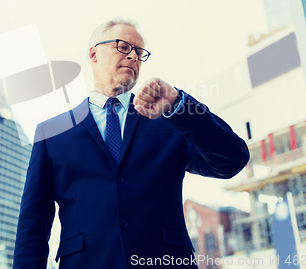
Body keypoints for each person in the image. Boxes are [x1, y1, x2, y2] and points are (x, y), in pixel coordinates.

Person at [13, 18, 249, 268]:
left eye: (139, 52)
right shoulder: (51, 133)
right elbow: (33, 226)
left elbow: (232, 161)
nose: (134, 56)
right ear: (94, 53)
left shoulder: (169, 119)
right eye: (123, 47)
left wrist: (180, 105)